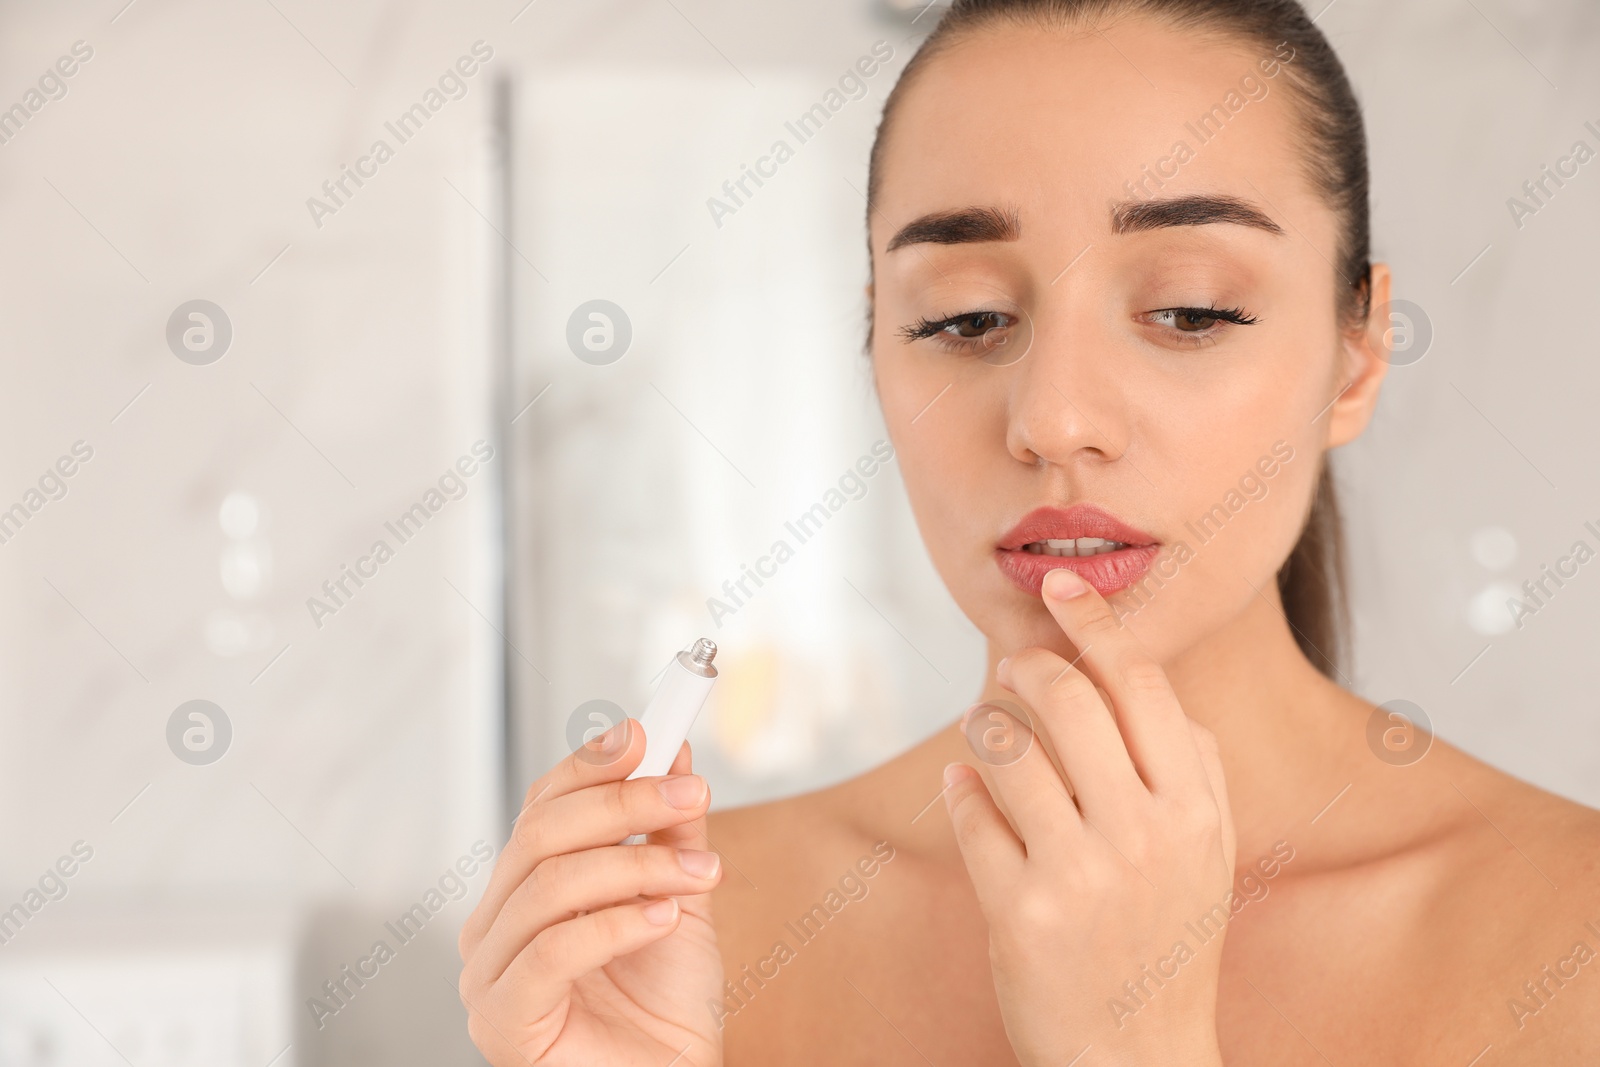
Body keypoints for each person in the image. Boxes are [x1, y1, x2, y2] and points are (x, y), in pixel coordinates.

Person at [458, 1, 1600, 1062]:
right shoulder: (688, 926)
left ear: (1357, 352)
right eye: (963, 317)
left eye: (1191, 309)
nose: (1052, 419)